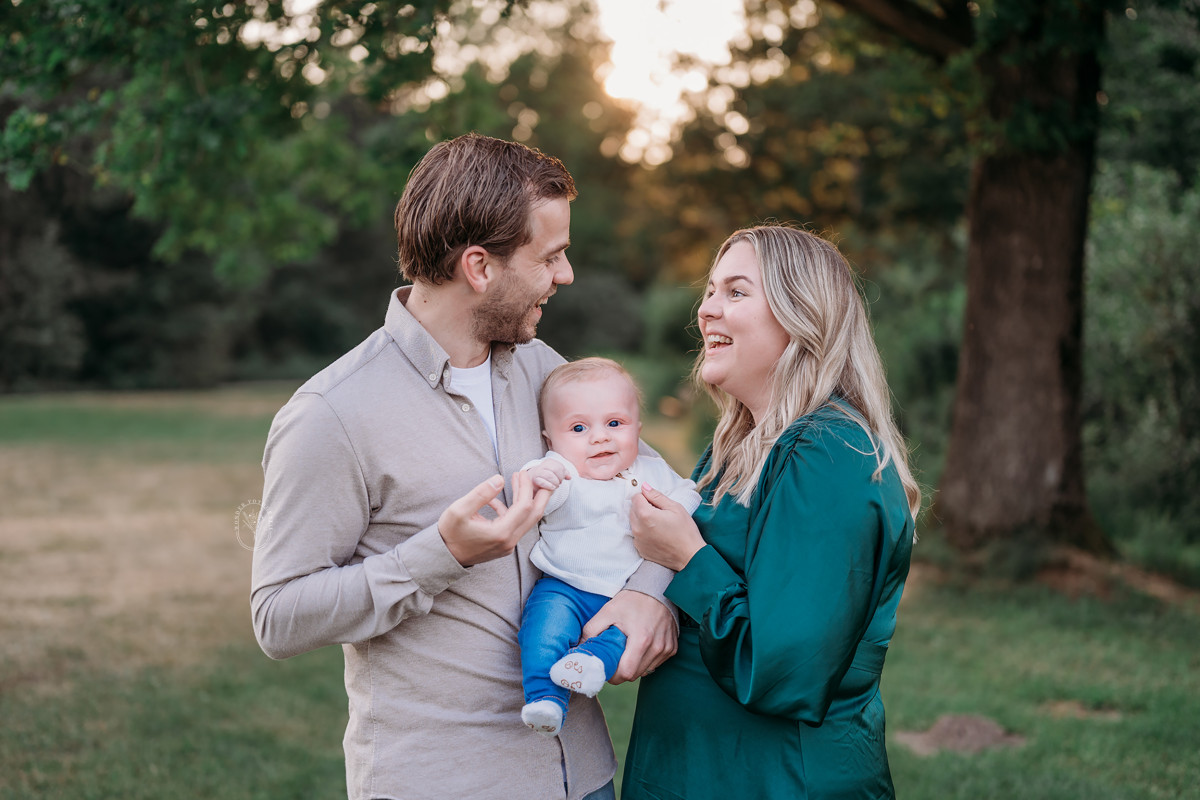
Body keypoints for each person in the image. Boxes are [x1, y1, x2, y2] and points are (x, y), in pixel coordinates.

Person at [250, 133, 677, 800]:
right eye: (551, 257)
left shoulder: (540, 368)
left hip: (584, 774)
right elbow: (278, 616)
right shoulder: (331, 414)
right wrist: (441, 553)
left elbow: (651, 487)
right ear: (479, 266)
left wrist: (646, 591)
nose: (564, 276)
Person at [620, 225, 922, 799]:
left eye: (736, 292)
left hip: (775, 778)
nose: (707, 309)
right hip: (699, 769)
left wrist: (686, 556)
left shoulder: (831, 452)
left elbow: (782, 671)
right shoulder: (739, 446)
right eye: (709, 291)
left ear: (802, 315)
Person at [515, 358, 702, 738]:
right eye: (579, 428)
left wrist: (683, 503)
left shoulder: (650, 472)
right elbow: (539, 495)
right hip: (564, 586)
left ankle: (590, 660)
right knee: (543, 629)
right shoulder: (563, 471)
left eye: (615, 424)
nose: (600, 437)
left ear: (638, 429)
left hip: (623, 594)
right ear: (552, 440)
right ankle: (544, 698)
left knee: (622, 635)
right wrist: (541, 476)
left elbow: (688, 495)